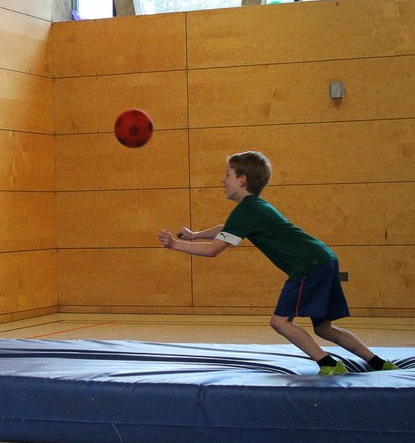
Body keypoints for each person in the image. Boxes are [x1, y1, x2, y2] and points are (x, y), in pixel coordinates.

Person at [157, 150, 398, 376]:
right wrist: (195, 235)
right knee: (324, 328)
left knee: (280, 321)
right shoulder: (253, 207)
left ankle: (329, 364)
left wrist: (175, 245)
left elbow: (213, 250)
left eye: (227, 175)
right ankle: (378, 362)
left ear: (242, 180)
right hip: (324, 258)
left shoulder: (247, 210)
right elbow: (226, 229)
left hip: (308, 264)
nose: (223, 180)